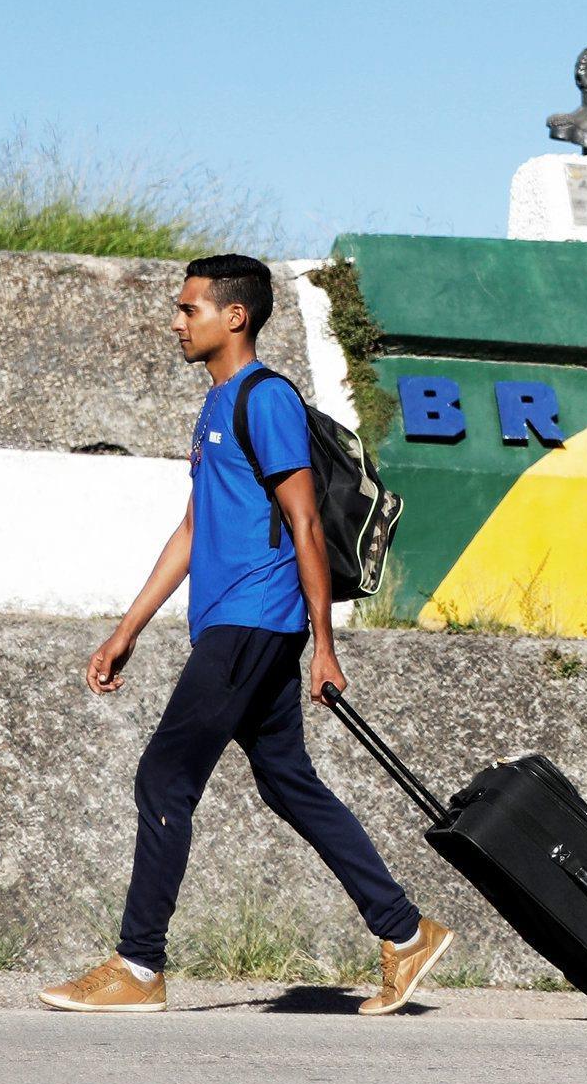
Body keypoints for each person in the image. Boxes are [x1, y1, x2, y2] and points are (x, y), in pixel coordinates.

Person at [38, 255, 450, 1015]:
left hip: (256, 620)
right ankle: (404, 932)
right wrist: (127, 628)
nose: (175, 321)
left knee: (165, 778)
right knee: (289, 783)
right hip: (227, 622)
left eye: (189, 308)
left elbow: (304, 524)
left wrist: (324, 646)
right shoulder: (214, 404)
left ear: (236, 316)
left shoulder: (265, 400)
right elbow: (195, 527)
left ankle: (138, 966)